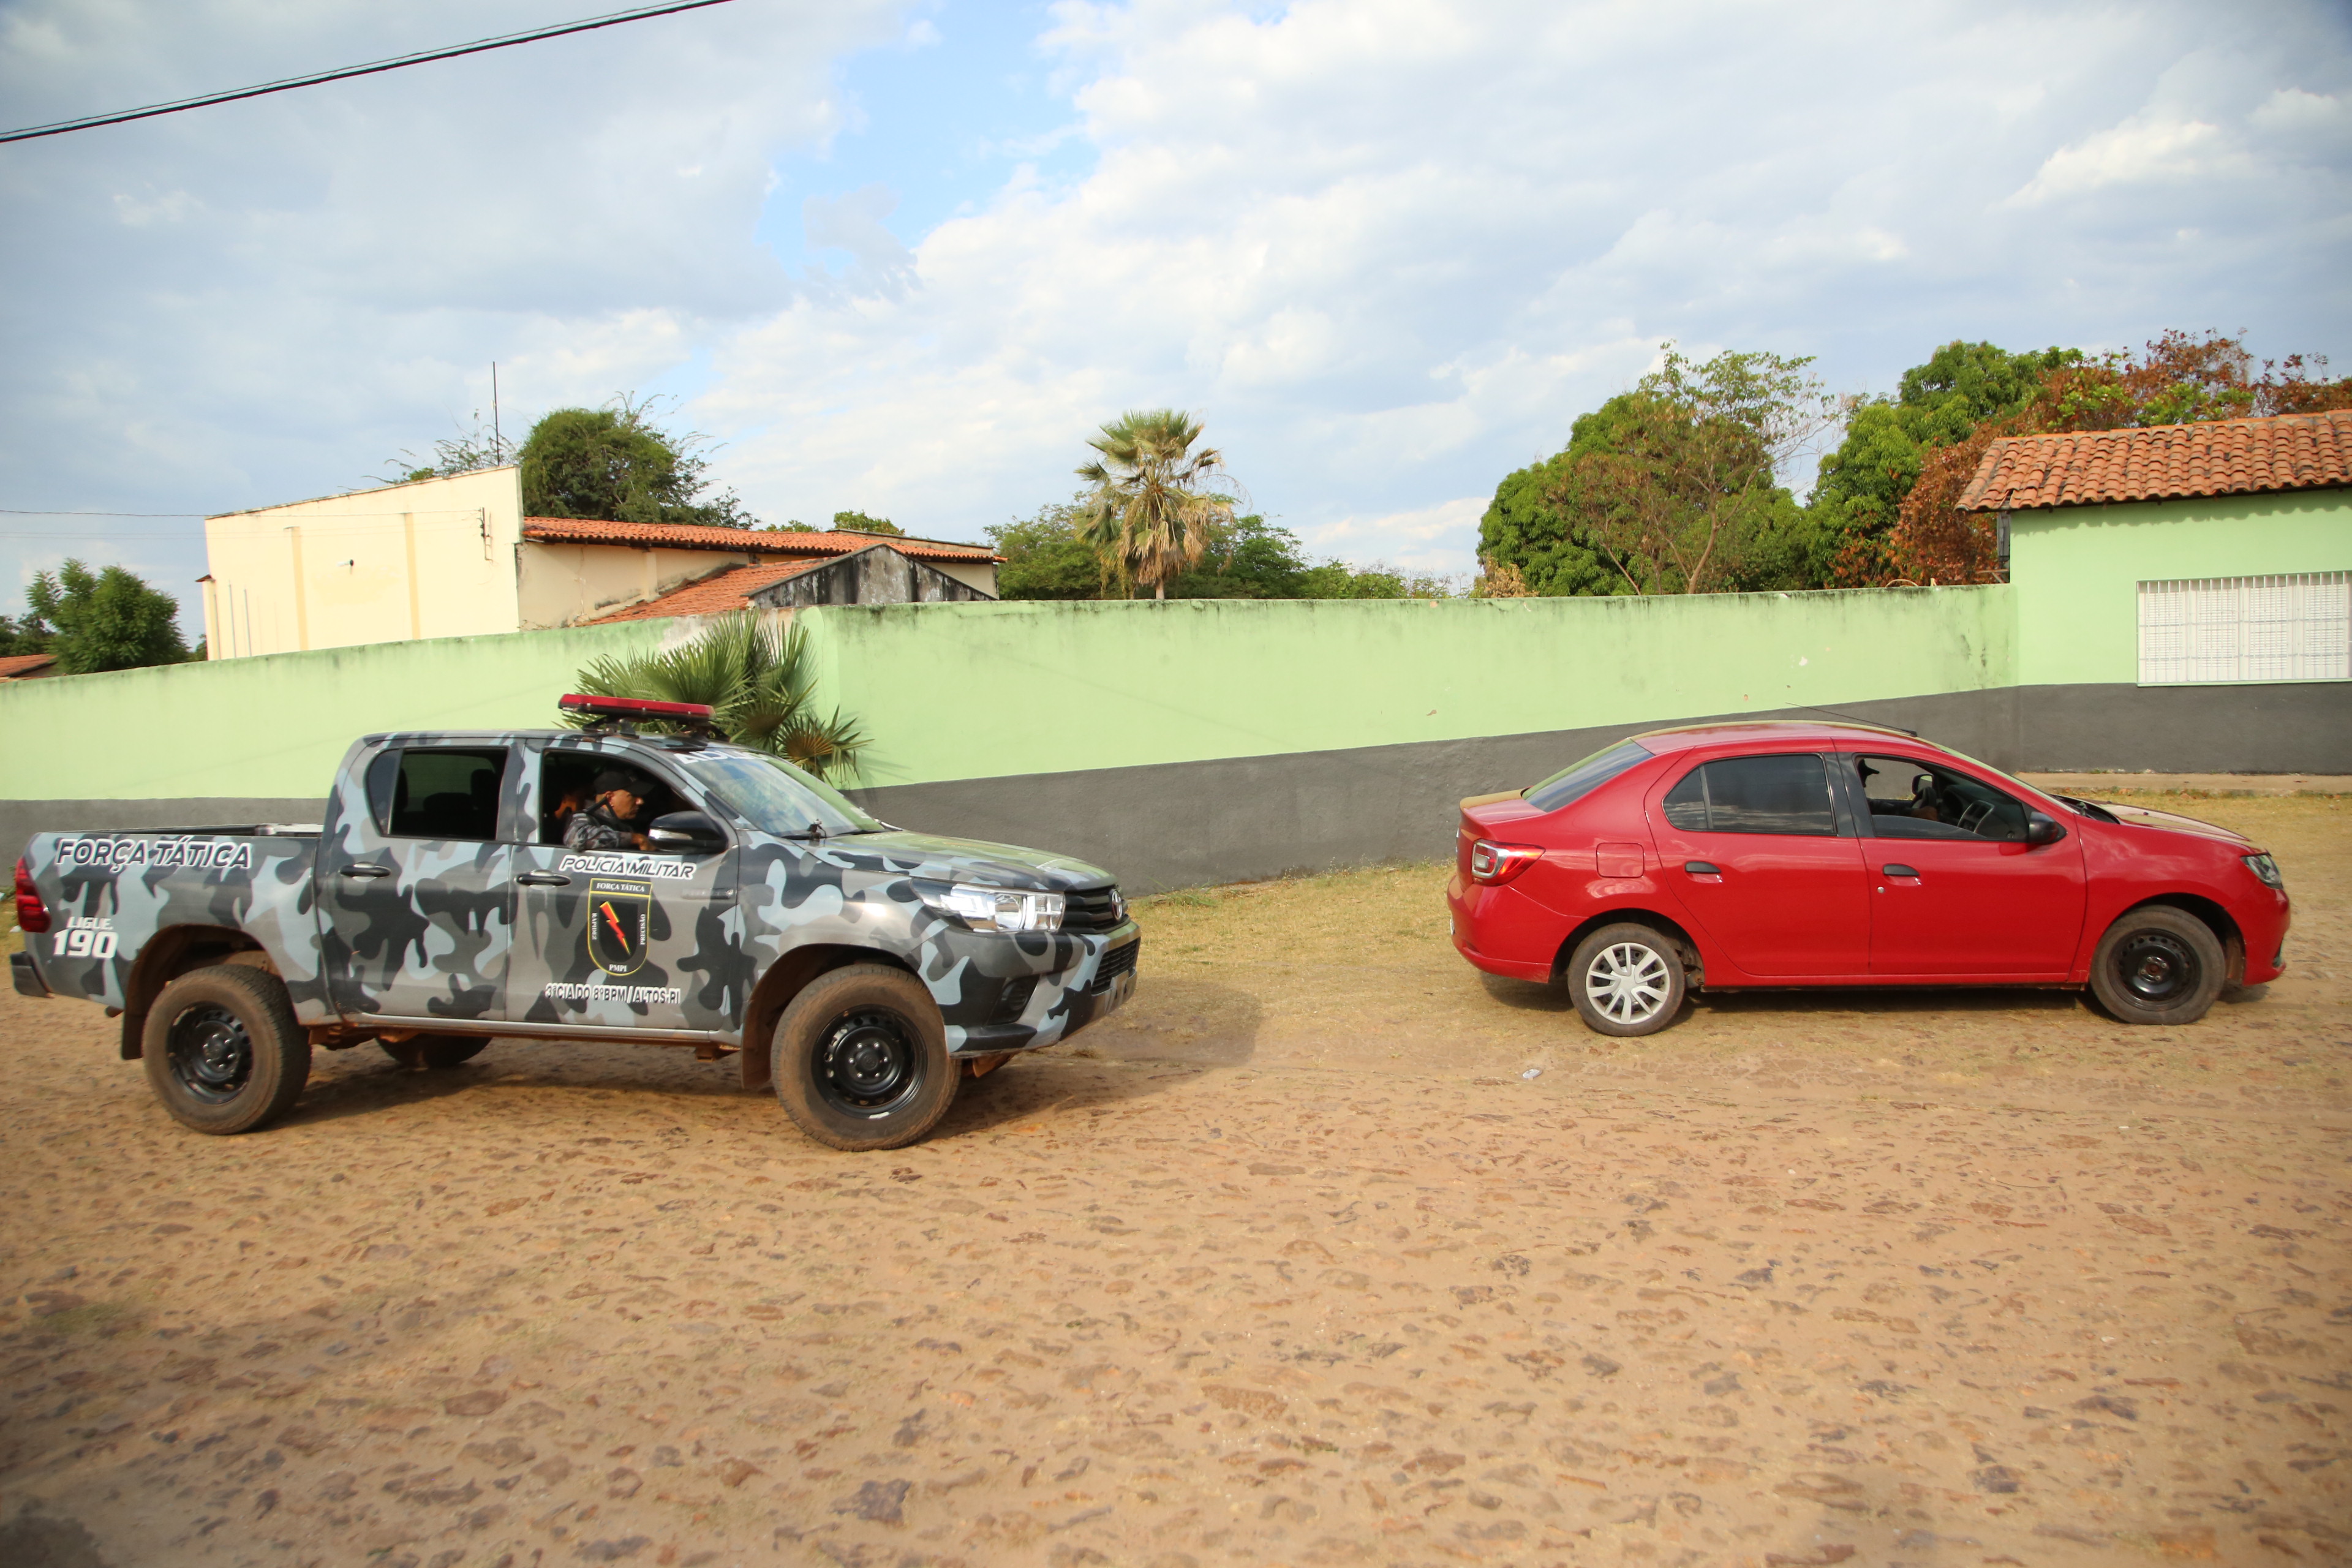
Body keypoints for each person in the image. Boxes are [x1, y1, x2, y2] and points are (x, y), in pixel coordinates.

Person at [564, 770, 651, 851]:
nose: (640, 801)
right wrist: (635, 839)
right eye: (633, 796)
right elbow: (576, 839)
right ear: (609, 798)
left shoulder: (623, 826)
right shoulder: (584, 818)